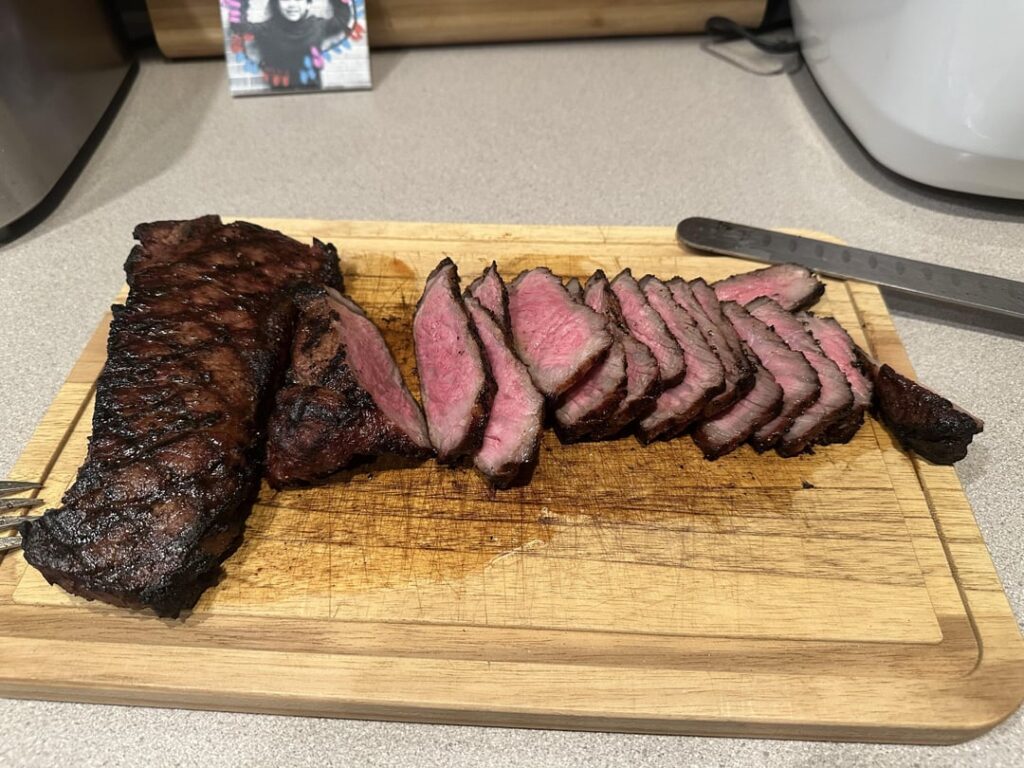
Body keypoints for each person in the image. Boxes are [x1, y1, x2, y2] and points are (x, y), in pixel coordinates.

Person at [240, 0, 353, 89]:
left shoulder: (317, 26)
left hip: (313, 94)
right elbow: (240, 27)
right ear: (276, 4)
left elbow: (342, 19)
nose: (292, 4)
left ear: (308, 4)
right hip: (279, 98)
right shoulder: (267, 29)